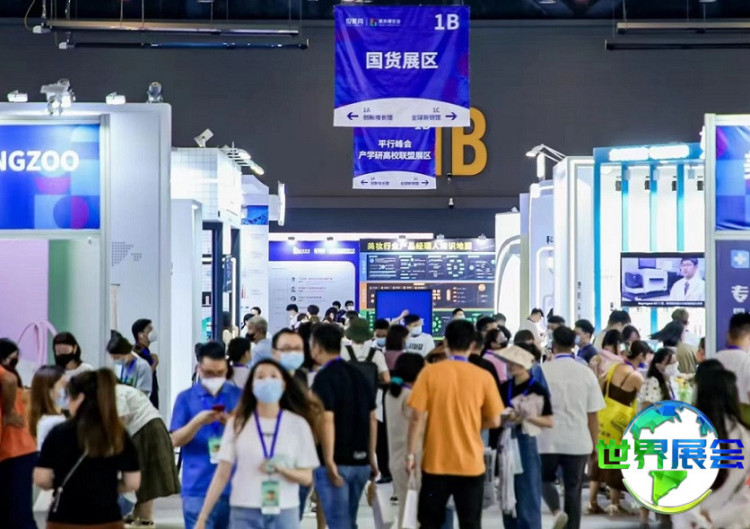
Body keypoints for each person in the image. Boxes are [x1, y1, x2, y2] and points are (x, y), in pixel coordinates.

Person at [195, 359, 319, 529]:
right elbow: (222, 474)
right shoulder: (237, 424)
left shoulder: (298, 425)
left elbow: (307, 477)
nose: (267, 381)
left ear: (284, 384)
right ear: (251, 385)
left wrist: (282, 469)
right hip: (245, 510)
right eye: (260, 377)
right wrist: (203, 517)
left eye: (273, 376)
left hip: (285, 510)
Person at [407, 320, 504, 529]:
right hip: (471, 464)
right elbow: (495, 420)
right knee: (470, 523)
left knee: (429, 523)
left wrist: (410, 455)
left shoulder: (429, 373)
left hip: (435, 464)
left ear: (445, 342)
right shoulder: (483, 377)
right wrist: (473, 423)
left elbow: (416, 418)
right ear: (472, 345)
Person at [33, 369, 141, 528]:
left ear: (80, 398)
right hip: (108, 518)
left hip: (64, 518)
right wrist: (106, 486)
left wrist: (66, 484)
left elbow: (41, 478)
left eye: (70, 397)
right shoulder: (118, 433)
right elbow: (133, 482)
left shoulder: (58, 433)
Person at [310, 324, 377, 529]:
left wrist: (329, 459)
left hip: (336, 462)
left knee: (339, 523)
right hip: (361, 462)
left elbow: (327, 419)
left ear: (317, 347)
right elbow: (372, 418)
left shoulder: (324, 377)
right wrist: (371, 456)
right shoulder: (359, 374)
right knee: (348, 521)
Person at [171, 342, 242, 529]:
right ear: (199, 369)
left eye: (220, 373)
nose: (215, 378)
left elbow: (252, 438)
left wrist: (232, 423)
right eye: (209, 373)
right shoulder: (185, 398)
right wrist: (197, 422)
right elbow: (175, 440)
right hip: (197, 487)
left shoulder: (239, 396)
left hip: (235, 487)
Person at [539, 327, 605, 529]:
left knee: (543, 479)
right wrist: (595, 445)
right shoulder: (586, 373)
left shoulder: (542, 371)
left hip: (546, 440)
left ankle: (556, 510)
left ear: (553, 345)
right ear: (573, 345)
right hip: (578, 441)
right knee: (573, 490)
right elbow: (592, 414)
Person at [671, 361, 750, 529]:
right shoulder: (744, 436)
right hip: (732, 522)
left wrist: (697, 518)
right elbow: (746, 495)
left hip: (687, 522)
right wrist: (713, 518)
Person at [497, 345, 554, 529]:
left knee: (528, 491)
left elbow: (549, 421)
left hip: (526, 440)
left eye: (516, 363)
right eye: (510, 362)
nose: (511, 366)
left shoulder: (537, 389)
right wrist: (504, 417)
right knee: (507, 490)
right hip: (506, 439)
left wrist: (525, 416)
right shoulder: (504, 387)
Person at [587, 343, 646, 516]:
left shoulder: (613, 368)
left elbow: (600, 387)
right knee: (615, 462)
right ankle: (614, 504)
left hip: (604, 417)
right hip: (619, 423)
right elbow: (646, 398)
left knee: (599, 460)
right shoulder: (636, 377)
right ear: (640, 355)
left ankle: (592, 501)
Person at [117, 382, 181, 528]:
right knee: (146, 476)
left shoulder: (115, 392)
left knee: (145, 476)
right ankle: (141, 516)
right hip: (149, 427)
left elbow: (120, 420)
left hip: (146, 430)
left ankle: (145, 519)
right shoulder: (123, 390)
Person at [636, 347, 677, 529]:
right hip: (653, 435)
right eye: (671, 363)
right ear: (660, 364)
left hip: (665, 434)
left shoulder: (667, 382)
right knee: (651, 476)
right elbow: (647, 409)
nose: (674, 366)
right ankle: (645, 518)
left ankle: (663, 514)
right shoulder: (653, 381)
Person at [385, 353, 427, 529]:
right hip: (412, 458)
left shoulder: (391, 393)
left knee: (406, 508)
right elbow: (420, 421)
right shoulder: (410, 395)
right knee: (413, 513)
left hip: (396, 457)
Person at [0, 339, 38, 529]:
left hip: (16, 450)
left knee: (18, 513)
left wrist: (8, 412)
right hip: (11, 450)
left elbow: (8, 379)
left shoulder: (7, 376)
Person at [716, 312, 750, 418]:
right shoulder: (747, 361)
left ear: (728, 334)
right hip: (743, 423)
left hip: (713, 422)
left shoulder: (712, 360)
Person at [342, 318, 390, 386]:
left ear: (350, 334)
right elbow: (387, 379)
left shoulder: (342, 352)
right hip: (371, 391)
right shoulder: (376, 354)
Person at [29, 365, 67, 447]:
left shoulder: (42, 419)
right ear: (48, 390)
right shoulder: (54, 422)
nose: (68, 389)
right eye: (64, 385)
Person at [108, 332, 153, 397]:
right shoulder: (118, 366)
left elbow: (142, 395)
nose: (115, 361)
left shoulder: (142, 366)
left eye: (117, 358)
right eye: (113, 358)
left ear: (126, 352)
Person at [132, 318, 161, 409]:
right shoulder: (137, 353)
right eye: (149, 329)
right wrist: (154, 365)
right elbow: (141, 376)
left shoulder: (145, 352)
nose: (153, 331)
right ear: (141, 335)